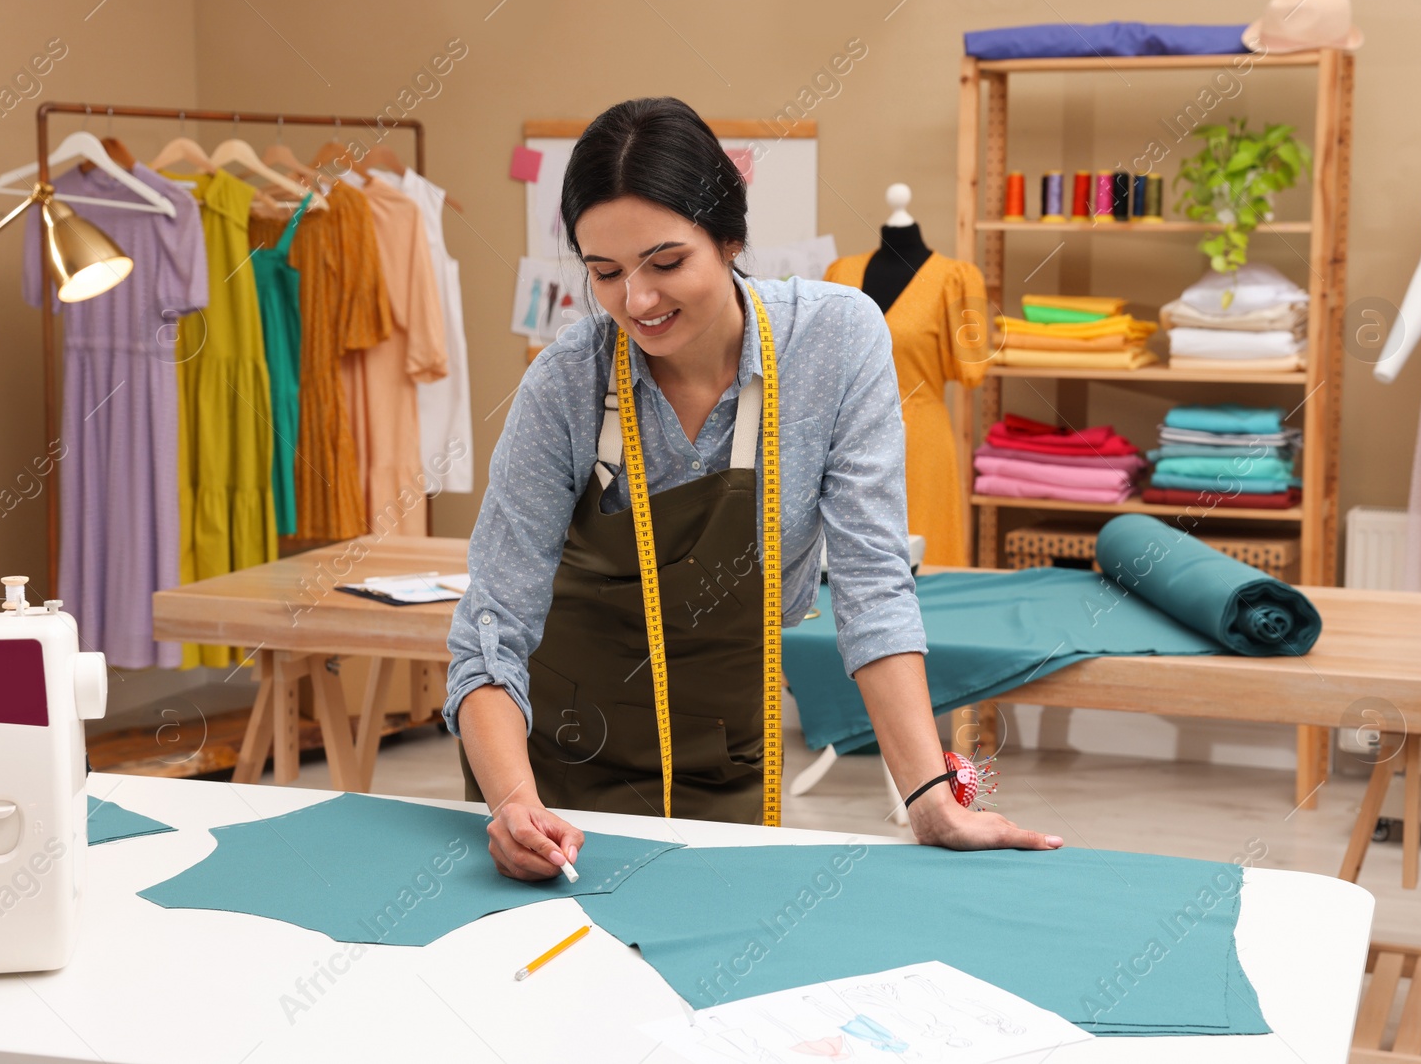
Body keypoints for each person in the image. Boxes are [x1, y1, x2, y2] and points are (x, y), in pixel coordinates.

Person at [443, 96, 1062, 881]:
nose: (636, 301)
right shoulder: (566, 384)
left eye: (666, 263)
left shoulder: (834, 343)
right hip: (554, 778)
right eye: (604, 272)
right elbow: (490, 630)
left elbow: (873, 581)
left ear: (731, 239)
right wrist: (511, 804)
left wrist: (929, 795)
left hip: (725, 752)